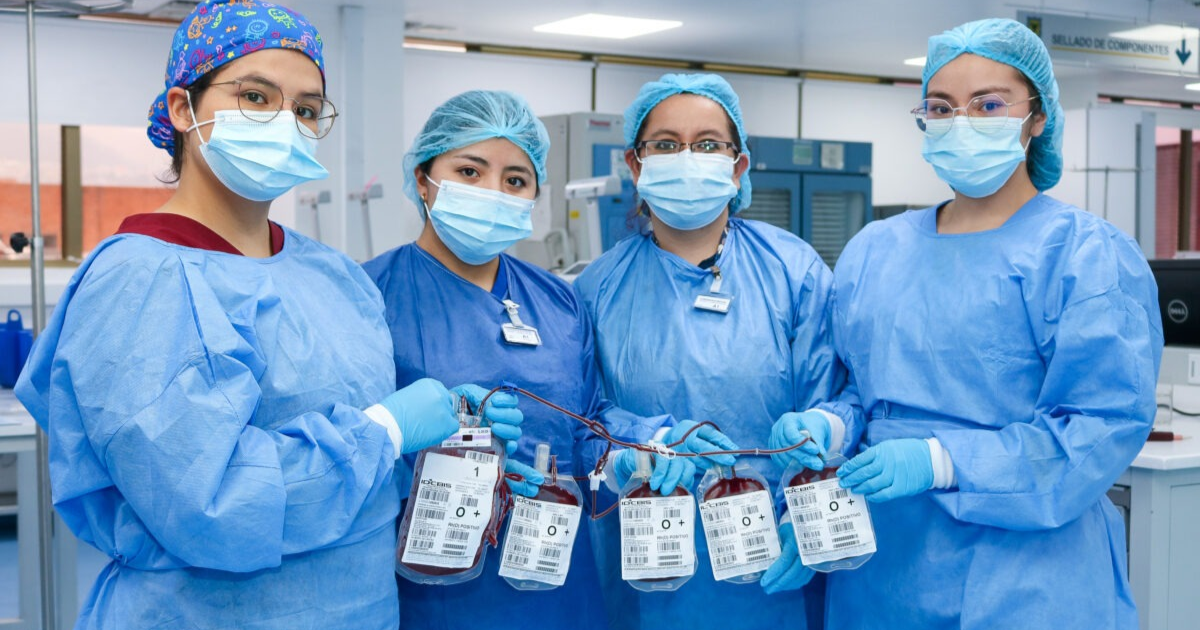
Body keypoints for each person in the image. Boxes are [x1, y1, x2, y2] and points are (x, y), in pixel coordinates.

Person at [14, 2, 520, 628]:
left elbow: (361, 455)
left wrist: (442, 431)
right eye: (256, 97)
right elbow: (209, 505)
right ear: (182, 109)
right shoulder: (139, 281)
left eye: (306, 109)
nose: (285, 121)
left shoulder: (331, 274)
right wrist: (385, 429)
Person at [770, 18, 1162, 630]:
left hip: (1025, 582)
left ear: (1036, 118)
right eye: (941, 107)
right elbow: (860, 391)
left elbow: (1100, 428)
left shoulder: (1084, 255)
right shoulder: (876, 249)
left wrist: (944, 461)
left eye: (988, 104)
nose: (962, 122)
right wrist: (830, 424)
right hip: (881, 575)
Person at [363, 89, 727, 630]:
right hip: (433, 584)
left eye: (515, 180)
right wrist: (430, 464)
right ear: (423, 179)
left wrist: (637, 449)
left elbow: (588, 423)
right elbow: (350, 444)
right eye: (469, 171)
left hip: (559, 580)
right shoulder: (371, 294)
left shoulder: (557, 300)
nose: (493, 191)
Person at [573, 73, 844, 630]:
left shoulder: (792, 271)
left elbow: (839, 400)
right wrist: (644, 444)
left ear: (738, 166)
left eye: (708, 144)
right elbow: (582, 423)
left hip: (774, 558)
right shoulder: (597, 288)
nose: (688, 158)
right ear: (635, 164)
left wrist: (811, 486)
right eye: (667, 145)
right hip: (648, 566)